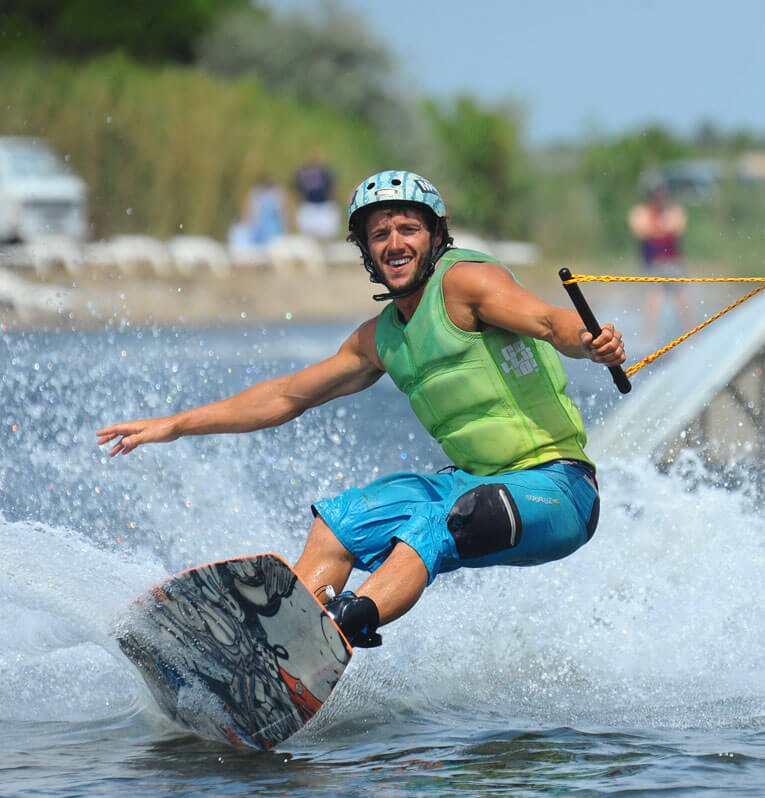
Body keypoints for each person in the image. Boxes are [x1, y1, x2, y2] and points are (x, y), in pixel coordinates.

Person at [98, 170, 625, 649]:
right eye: (379, 235)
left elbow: (547, 320)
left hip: (560, 492)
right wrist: (176, 423)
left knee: (439, 519)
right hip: (473, 485)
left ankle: (346, 623)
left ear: (436, 237)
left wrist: (588, 339)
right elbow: (285, 396)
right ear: (367, 254)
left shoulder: (468, 282)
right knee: (341, 524)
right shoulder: (380, 339)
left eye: (408, 229)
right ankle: (277, 649)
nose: (394, 243)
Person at [627, 181, 693, 344]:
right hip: (652, 263)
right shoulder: (641, 212)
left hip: (672, 262)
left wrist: (658, 228)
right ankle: (648, 341)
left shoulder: (674, 211)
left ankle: (693, 335)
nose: (661, 199)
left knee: (682, 299)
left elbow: (678, 227)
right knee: (653, 302)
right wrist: (660, 227)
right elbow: (640, 231)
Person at [292, 151, 339, 241]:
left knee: (326, 234)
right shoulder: (302, 173)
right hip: (308, 206)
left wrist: (333, 204)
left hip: (323, 206)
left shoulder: (326, 173)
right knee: (307, 237)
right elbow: (296, 189)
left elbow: (332, 189)